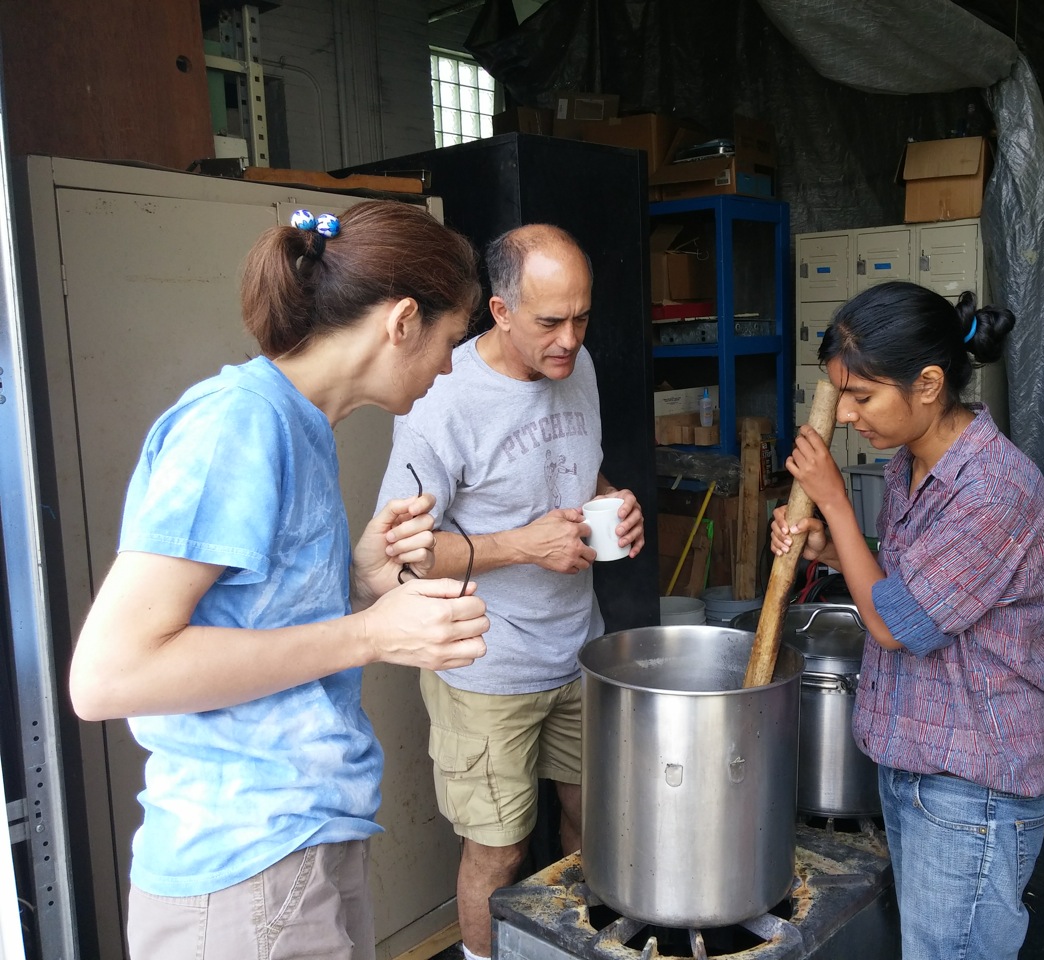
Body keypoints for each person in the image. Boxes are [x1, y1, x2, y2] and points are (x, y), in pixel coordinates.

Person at [68, 201, 491, 960]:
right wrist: (370, 634)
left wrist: (358, 581)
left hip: (299, 842)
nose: (449, 366)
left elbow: (253, 625)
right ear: (402, 322)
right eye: (451, 340)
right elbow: (110, 675)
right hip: (243, 866)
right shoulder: (237, 424)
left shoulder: (302, 426)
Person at [771, 280, 1044, 960]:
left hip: (971, 784)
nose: (844, 415)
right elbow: (913, 584)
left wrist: (836, 507)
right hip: (913, 765)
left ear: (929, 383)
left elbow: (897, 625)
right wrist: (833, 548)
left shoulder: (996, 489)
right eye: (840, 394)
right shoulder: (912, 466)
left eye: (862, 395)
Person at [375, 223, 644, 960]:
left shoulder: (575, 366)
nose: (570, 339)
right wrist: (525, 544)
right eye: (550, 322)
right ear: (499, 311)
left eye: (582, 317)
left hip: (575, 651)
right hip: (484, 667)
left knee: (592, 821)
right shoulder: (443, 400)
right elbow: (403, 556)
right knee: (497, 851)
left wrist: (612, 500)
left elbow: (575, 468)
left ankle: (577, 948)